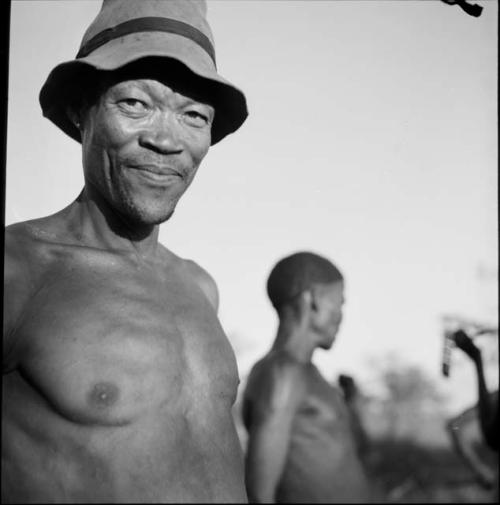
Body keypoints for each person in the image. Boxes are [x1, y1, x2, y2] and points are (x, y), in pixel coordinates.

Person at [2, 0, 248, 502]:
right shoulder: (17, 270)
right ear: (80, 110)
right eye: (135, 104)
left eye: (193, 115)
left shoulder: (200, 288)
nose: (165, 140)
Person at [241, 252, 372, 503]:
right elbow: (260, 493)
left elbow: (353, 453)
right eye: (339, 302)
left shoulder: (307, 374)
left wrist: (352, 404)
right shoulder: (283, 374)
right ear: (314, 299)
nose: (341, 315)